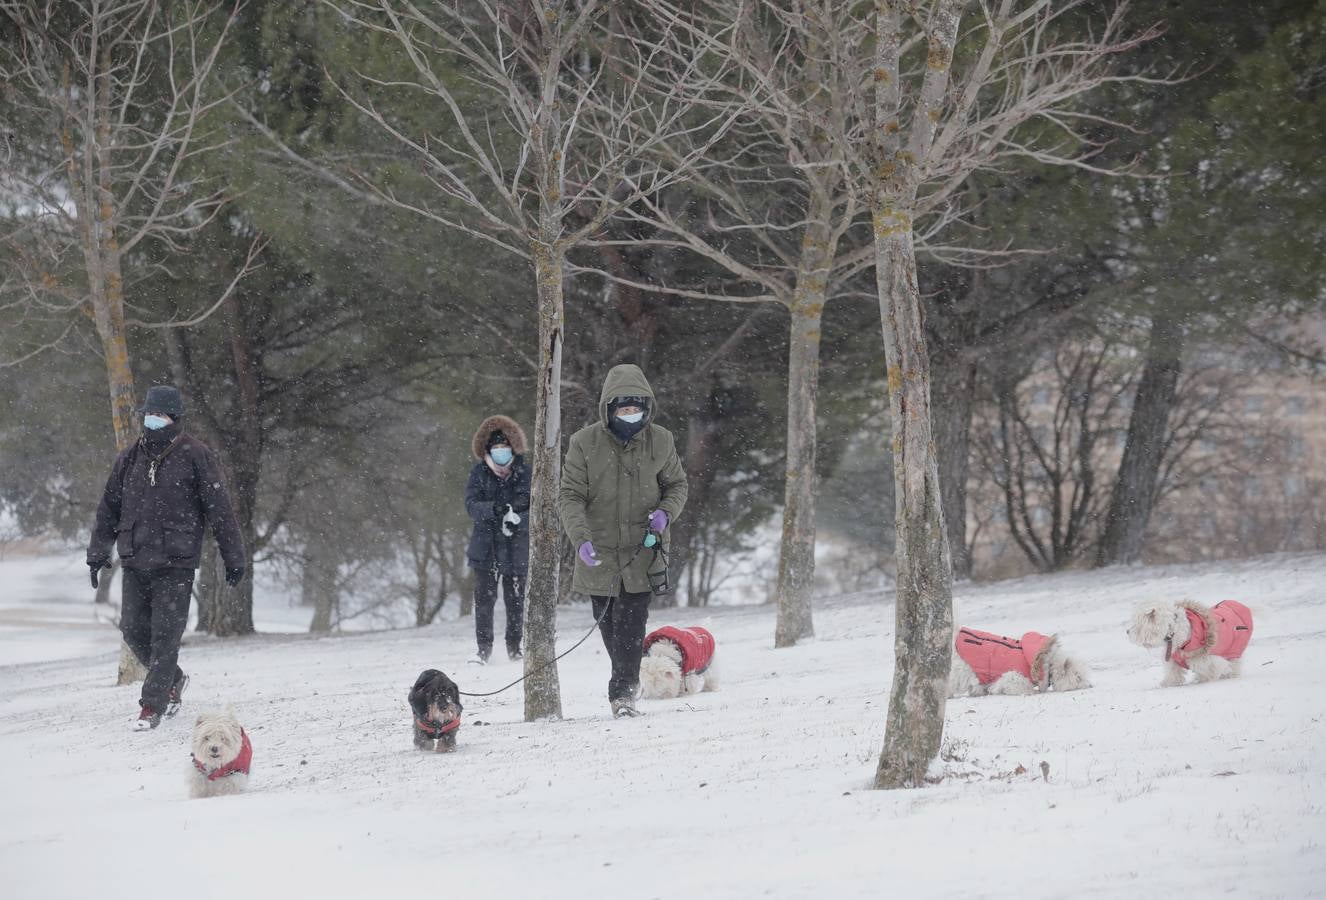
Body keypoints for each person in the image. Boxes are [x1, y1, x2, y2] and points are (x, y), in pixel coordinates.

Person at [87, 385, 246, 731]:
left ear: (175, 418)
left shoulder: (196, 455)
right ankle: (173, 679)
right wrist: (98, 554)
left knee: (165, 636)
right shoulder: (129, 458)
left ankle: (151, 706)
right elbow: (108, 509)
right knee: (132, 630)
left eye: (160, 414)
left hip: (176, 562)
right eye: (149, 413)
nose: (153, 420)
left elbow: (219, 510)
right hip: (135, 559)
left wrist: (234, 556)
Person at [559, 364, 688, 718]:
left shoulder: (661, 440)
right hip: (598, 551)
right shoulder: (583, 443)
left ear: (647, 408)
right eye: (623, 409)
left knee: (632, 623)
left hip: (642, 550)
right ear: (608, 409)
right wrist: (580, 538)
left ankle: (623, 695)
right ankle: (631, 672)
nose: (630, 416)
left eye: (637, 409)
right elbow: (569, 495)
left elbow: (677, 485)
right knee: (610, 627)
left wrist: (665, 513)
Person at [464, 415, 531, 664]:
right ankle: (484, 649)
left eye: (505, 447)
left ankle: (515, 647)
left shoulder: (525, 472)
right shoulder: (479, 473)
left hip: (516, 546)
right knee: (484, 600)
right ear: (488, 449)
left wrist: (518, 519)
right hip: (486, 548)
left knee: (516, 600)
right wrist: (494, 509)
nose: (501, 452)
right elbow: (471, 506)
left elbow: (535, 506)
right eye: (496, 447)